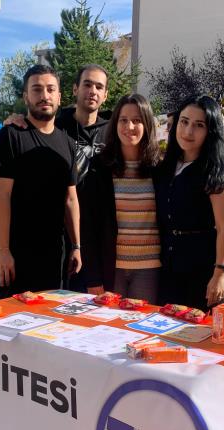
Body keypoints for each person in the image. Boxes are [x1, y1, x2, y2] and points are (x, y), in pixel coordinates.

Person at [6, 64, 109, 290]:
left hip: (100, 232)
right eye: (87, 84)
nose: (92, 91)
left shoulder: (113, 131)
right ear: (74, 89)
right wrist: (14, 119)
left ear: (105, 94)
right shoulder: (55, 124)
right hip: (58, 234)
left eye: (99, 86)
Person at [0, 64, 81, 293]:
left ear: (59, 96)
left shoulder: (68, 144)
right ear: (26, 96)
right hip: (18, 256)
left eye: (51, 89)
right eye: (37, 89)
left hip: (56, 256)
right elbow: (2, 196)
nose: (45, 96)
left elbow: (71, 199)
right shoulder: (10, 137)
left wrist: (76, 246)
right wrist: (2, 250)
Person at [154, 96, 224, 310]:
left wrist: (220, 273)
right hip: (169, 266)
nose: (188, 131)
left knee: (197, 327)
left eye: (199, 125)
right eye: (184, 122)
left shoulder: (216, 171)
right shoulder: (166, 167)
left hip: (203, 269)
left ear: (211, 131)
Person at [83, 94, 162, 303]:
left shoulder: (159, 168)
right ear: (115, 124)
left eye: (137, 120)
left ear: (147, 124)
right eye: (123, 120)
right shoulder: (99, 167)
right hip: (111, 268)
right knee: (109, 323)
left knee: (142, 323)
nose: (130, 126)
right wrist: (93, 277)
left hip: (149, 269)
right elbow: (88, 225)